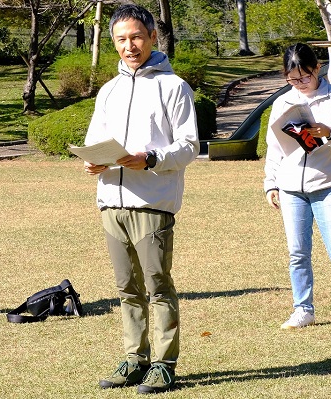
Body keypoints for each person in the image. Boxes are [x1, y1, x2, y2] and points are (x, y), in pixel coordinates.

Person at [83, 4, 199, 394]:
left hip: (152, 202)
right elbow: (94, 140)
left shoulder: (173, 86)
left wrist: (149, 159)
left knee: (157, 285)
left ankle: (164, 363)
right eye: (120, 39)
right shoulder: (109, 90)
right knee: (126, 288)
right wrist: (92, 161)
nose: (129, 46)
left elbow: (188, 146)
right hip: (110, 203)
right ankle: (135, 357)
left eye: (136, 37)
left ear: (151, 37)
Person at [264, 43, 331, 332]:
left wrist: (329, 132)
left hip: (330, 184)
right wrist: (271, 183)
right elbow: (274, 148)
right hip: (291, 187)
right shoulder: (282, 102)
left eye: (304, 77)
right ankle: (303, 309)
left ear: (317, 69)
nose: (299, 84)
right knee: (297, 252)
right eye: (292, 79)